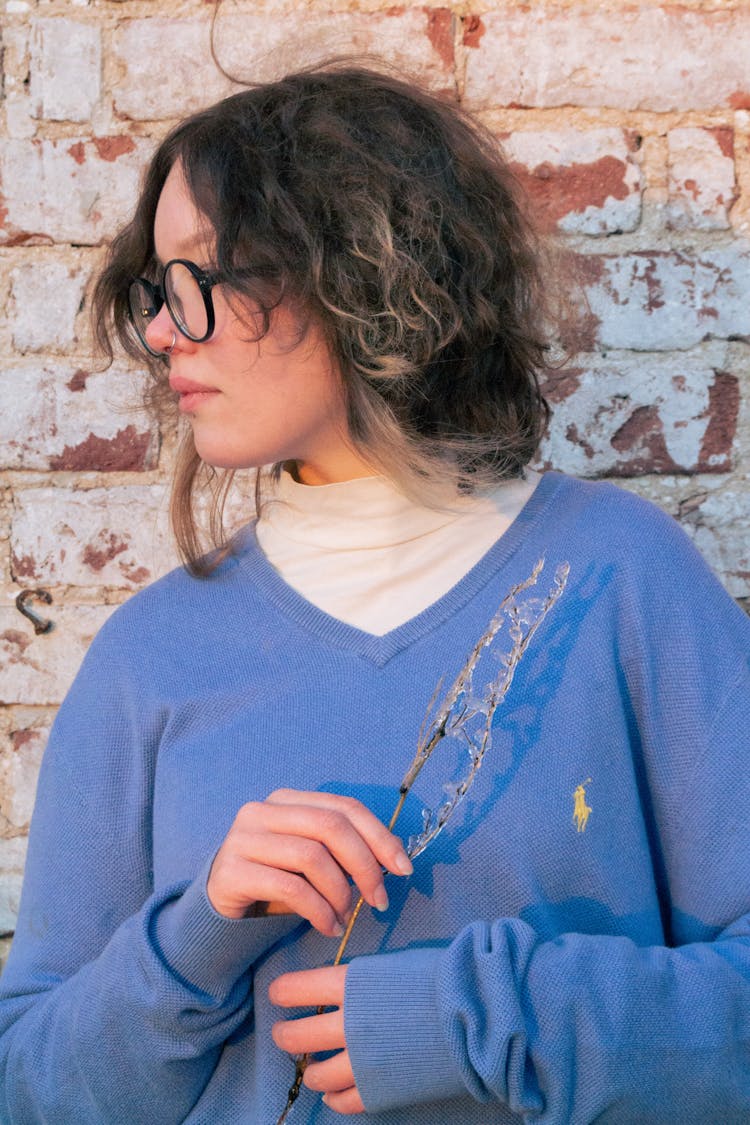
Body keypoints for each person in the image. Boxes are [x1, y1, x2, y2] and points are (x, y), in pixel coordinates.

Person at [1, 62, 749, 1125]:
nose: (165, 330)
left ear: (359, 273)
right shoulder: (148, 658)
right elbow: (27, 1087)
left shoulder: (623, 583)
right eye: (155, 287)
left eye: (202, 278)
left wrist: (481, 1017)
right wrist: (195, 933)